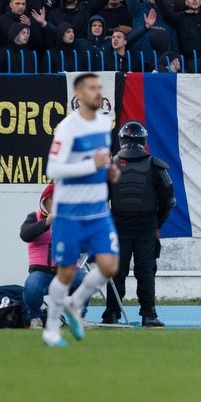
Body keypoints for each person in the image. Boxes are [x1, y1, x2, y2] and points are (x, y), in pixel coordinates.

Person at [41, 73, 122, 348]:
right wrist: (92, 165)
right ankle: (51, 329)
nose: (98, 92)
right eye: (92, 88)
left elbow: (98, 160)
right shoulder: (67, 128)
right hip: (70, 213)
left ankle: (75, 303)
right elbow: (52, 170)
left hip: (98, 209)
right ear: (78, 95)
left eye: (100, 87)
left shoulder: (103, 122)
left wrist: (108, 170)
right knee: (65, 273)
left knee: (110, 266)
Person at [101, 121, 176, 327]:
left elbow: (98, 201)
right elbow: (169, 200)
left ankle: (112, 314)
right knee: (146, 273)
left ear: (121, 140)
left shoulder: (110, 167)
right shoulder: (155, 166)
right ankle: (148, 315)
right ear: (144, 140)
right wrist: (156, 223)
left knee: (116, 273)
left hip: (118, 229)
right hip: (146, 230)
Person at [20, 184, 87, 329]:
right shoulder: (34, 217)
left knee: (85, 279)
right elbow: (25, 235)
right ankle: (35, 317)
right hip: (42, 272)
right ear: (45, 201)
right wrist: (46, 222)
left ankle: (79, 317)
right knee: (32, 285)